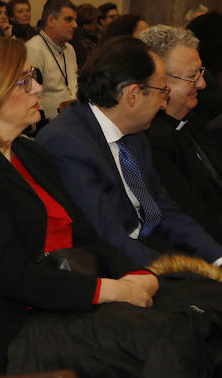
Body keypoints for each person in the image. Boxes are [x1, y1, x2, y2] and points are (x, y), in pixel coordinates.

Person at [0, 33, 222, 378]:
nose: (37, 87)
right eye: (22, 80)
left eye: (32, 75)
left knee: (202, 321)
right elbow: (12, 276)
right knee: (172, 341)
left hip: (58, 308)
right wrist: (110, 290)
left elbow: (89, 237)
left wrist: (136, 275)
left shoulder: (28, 155)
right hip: (2, 335)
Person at [37, 37, 222, 266]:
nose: (164, 104)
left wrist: (217, 257)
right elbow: (107, 235)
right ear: (132, 94)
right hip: (115, 265)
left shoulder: (135, 133)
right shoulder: (68, 143)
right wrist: (180, 271)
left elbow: (163, 210)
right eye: (162, 92)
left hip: (151, 245)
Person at [139, 25, 222, 244]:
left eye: (201, 73)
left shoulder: (192, 120)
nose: (202, 84)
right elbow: (191, 215)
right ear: (159, 81)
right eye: (192, 76)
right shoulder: (150, 139)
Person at [25, 0, 78, 119]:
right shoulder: (33, 49)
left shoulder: (70, 49)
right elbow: (31, 94)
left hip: (73, 117)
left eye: (75, 20)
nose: (75, 25)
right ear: (51, 21)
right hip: (48, 123)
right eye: (69, 20)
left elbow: (74, 85)